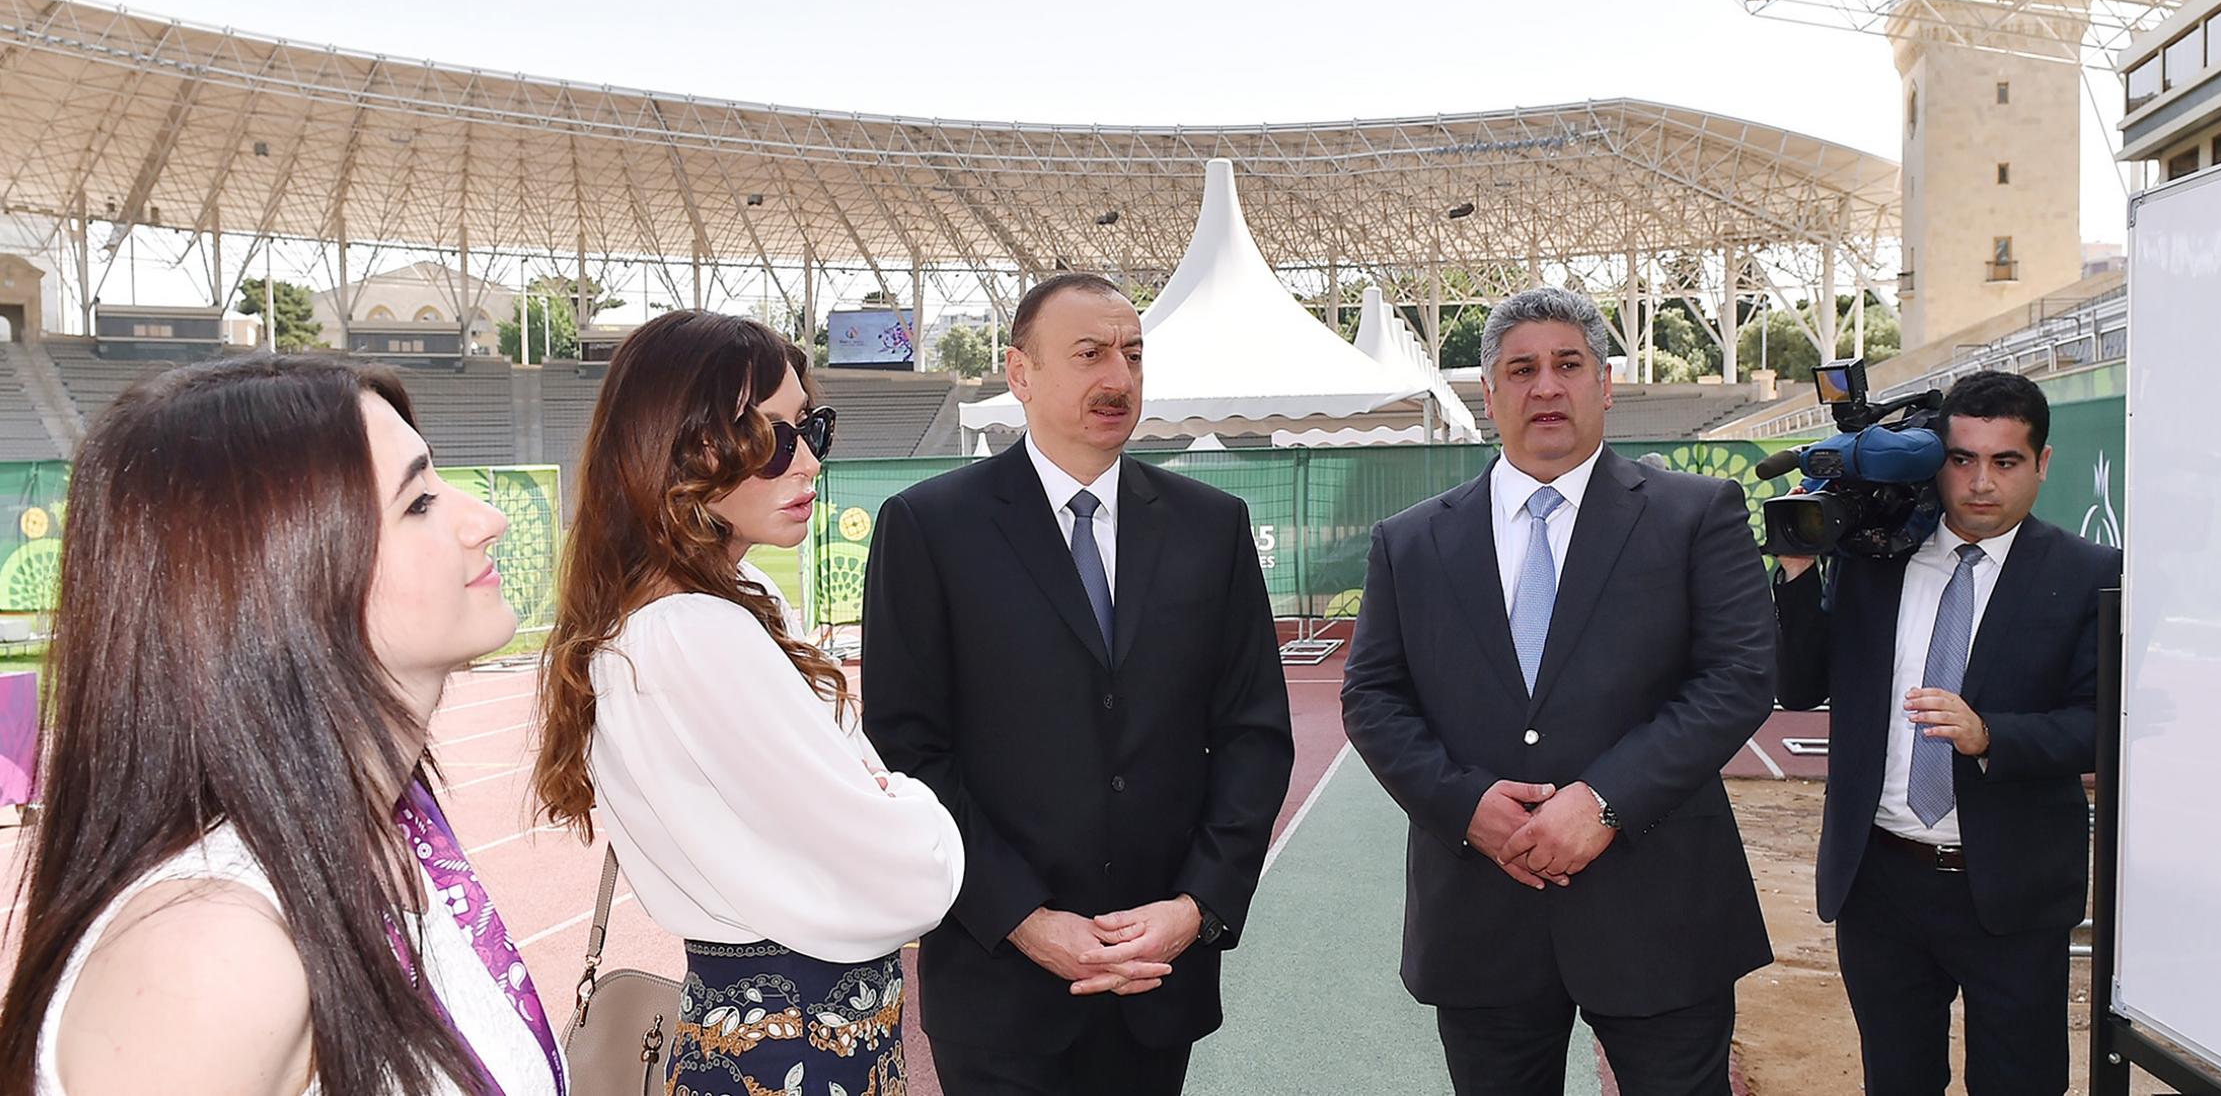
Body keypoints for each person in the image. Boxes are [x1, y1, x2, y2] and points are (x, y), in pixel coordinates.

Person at [0, 354, 563, 1096]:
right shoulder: (209, 953)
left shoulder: (375, 834)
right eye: (418, 501)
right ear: (279, 581)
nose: (486, 519)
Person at [861, 272, 1294, 1096]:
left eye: (1133, 355)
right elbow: (908, 751)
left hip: (1155, 977)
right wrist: (1023, 920)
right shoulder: (929, 527)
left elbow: (1254, 734)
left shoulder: (1212, 527)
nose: (1119, 378)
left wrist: (1195, 908)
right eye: (1091, 353)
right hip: (999, 987)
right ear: (1020, 373)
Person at [1341, 286, 1775, 1096]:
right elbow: (1372, 697)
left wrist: (1604, 800)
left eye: (1568, 365)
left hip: (1659, 909)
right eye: (1522, 369)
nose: (1546, 387)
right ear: (1490, 392)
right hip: (1484, 910)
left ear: (1604, 384)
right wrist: (1465, 807)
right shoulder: (1411, 542)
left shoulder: (1694, 514)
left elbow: (1739, 677)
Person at [532, 311, 962, 1096]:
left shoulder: (717, 604)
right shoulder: (693, 632)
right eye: (769, 438)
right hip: (799, 1046)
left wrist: (877, 799)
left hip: (782, 1036)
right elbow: (912, 878)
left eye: (809, 429)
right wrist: (912, 808)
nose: (807, 465)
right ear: (683, 446)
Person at [1772, 369, 2119, 1095]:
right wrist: (1800, 570)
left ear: (2042, 464)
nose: (1981, 483)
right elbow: (1800, 686)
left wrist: (1991, 734)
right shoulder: (1875, 562)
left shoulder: (2090, 573)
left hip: (2012, 891)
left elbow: (2098, 728)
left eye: (2006, 461)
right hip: (1880, 884)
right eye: (1962, 460)